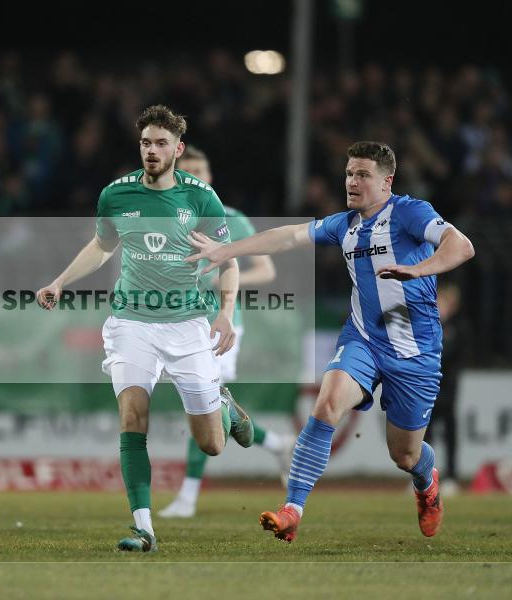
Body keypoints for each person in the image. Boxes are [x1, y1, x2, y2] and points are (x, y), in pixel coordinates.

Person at [189, 141, 475, 542]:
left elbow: (461, 246)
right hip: (363, 337)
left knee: (405, 454)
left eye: (362, 175)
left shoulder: (410, 212)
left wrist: (419, 269)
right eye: (348, 173)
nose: (352, 182)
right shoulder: (345, 224)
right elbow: (288, 237)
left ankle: (426, 483)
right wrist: (226, 250)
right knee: (326, 405)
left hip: (415, 350)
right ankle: (292, 509)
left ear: (386, 181)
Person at [36, 105, 256, 552]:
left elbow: (227, 259)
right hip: (131, 322)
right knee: (133, 418)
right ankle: (145, 528)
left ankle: (225, 409)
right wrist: (59, 281)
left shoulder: (201, 198)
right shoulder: (115, 195)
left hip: (189, 324)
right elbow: (101, 246)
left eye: (160, 143)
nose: (151, 151)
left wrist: (226, 312)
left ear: (177, 148)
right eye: (145, 143)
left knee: (212, 444)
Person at [159, 146, 291, 519]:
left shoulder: (229, 218)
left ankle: (187, 498)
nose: (196, 176)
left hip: (221, 322)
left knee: (202, 403)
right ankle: (278, 443)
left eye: (201, 169)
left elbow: (265, 271)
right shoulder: (168, 218)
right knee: (203, 404)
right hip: (180, 322)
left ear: (211, 176)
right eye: (188, 170)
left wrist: (221, 278)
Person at [422, 280, 470, 496]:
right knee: (425, 434)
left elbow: (453, 356)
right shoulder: (426, 326)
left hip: (448, 388)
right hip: (427, 388)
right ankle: (423, 478)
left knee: (450, 433)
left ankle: (451, 476)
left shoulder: (459, 329)